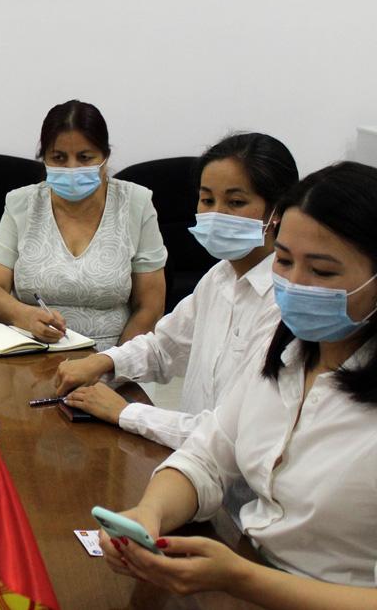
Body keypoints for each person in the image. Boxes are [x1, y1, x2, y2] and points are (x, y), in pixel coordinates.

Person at [99, 162, 377, 609]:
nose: (293, 284)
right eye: (283, 260)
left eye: (322, 272)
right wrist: (149, 514)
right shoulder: (285, 352)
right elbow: (207, 455)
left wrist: (242, 579)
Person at [56, 134, 299, 448]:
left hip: (233, 472)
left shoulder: (285, 303)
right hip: (189, 461)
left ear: (277, 210)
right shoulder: (219, 277)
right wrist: (104, 362)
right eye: (207, 200)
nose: (216, 214)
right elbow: (163, 348)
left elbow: (231, 434)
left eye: (236, 202)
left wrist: (126, 412)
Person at [0, 100, 166, 350]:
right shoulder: (21, 203)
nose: (72, 168)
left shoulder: (136, 203)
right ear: (44, 159)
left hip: (114, 355)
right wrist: (25, 316)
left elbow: (150, 307)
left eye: (85, 158)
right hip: (32, 353)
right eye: (59, 158)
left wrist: (111, 363)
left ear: (105, 157)